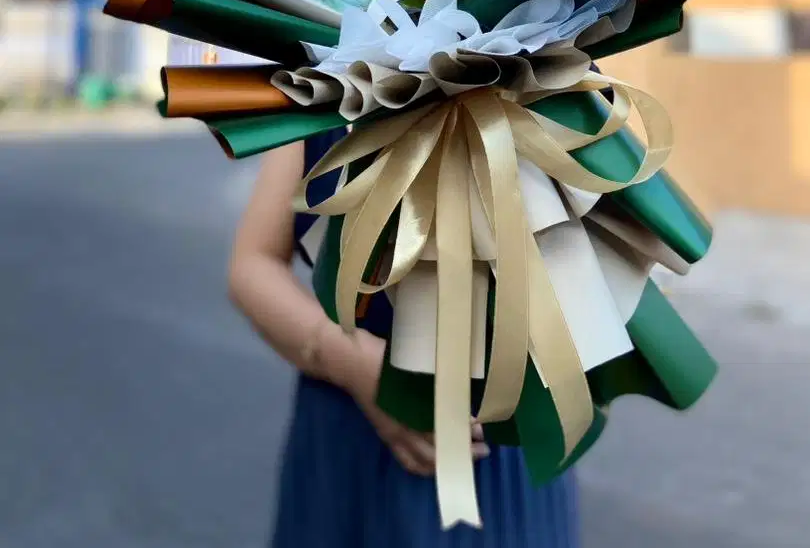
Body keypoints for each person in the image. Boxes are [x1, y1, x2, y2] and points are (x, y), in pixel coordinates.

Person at [228, 128, 580, 547]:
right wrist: (353, 361)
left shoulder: (551, 67)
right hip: (351, 429)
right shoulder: (323, 75)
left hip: (500, 436)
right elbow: (253, 263)